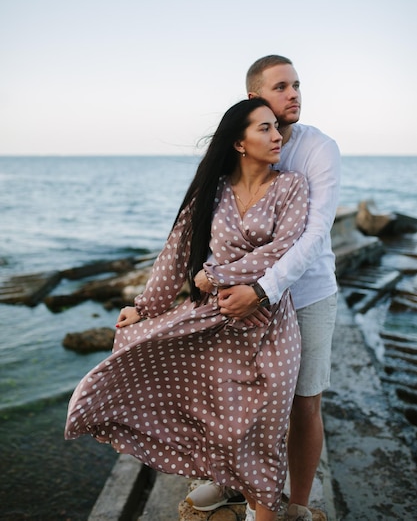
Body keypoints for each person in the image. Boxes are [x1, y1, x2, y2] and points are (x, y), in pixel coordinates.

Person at [65, 98, 309, 521]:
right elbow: (174, 255)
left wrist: (217, 274)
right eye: (264, 129)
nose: (276, 137)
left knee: (266, 431)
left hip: (271, 328)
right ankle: (232, 489)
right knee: (222, 422)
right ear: (238, 142)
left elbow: (284, 250)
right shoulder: (211, 193)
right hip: (215, 328)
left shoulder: (292, 186)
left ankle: (262, 512)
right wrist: (144, 309)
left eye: (276, 128)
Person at [186, 56, 340, 521]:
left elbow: (311, 235)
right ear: (254, 99)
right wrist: (153, 302)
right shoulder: (235, 150)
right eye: (281, 86)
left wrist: (263, 289)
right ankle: (230, 481)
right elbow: (195, 229)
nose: (294, 94)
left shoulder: (317, 149)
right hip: (239, 301)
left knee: (303, 402)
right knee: (230, 394)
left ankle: (295, 504)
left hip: (307, 294)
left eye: (297, 85)